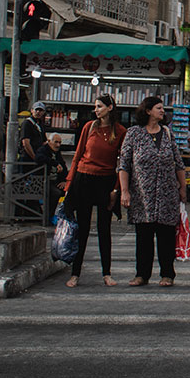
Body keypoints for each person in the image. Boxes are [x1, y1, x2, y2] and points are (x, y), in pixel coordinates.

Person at [118, 96, 187, 287]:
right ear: (148, 111)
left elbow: (178, 162)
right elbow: (124, 164)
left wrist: (182, 187)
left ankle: (167, 274)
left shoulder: (167, 133)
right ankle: (142, 274)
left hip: (167, 194)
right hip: (142, 194)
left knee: (166, 236)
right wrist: (125, 191)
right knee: (144, 236)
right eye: (159, 108)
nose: (162, 111)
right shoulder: (134, 134)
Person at [63, 95, 126, 288]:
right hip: (84, 178)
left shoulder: (120, 131)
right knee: (82, 228)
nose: (96, 110)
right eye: (95, 107)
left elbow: (122, 163)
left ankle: (106, 273)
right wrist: (68, 185)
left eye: (99, 106)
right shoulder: (89, 127)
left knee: (104, 229)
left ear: (110, 107)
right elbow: (78, 155)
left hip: (105, 181)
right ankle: (75, 273)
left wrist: (117, 189)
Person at [18, 101, 47, 167]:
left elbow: (44, 141)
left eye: (40, 110)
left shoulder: (41, 124)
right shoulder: (27, 123)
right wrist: (34, 157)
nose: (38, 112)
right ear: (32, 110)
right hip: (27, 158)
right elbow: (25, 143)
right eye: (36, 110)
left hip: (37, 156)